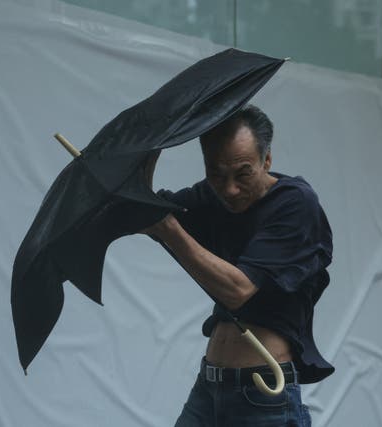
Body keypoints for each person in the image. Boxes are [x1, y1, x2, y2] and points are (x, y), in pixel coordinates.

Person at [142, 105, 334, 426]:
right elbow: (148, 213)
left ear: (267, 160)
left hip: (262, 393)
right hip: (209, 387)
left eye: (243, 173)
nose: (230, 189)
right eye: (216, 175)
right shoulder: (210, 197)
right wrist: (149, 154)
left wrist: (169, 229)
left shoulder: (296, 204)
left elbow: (239, 290)